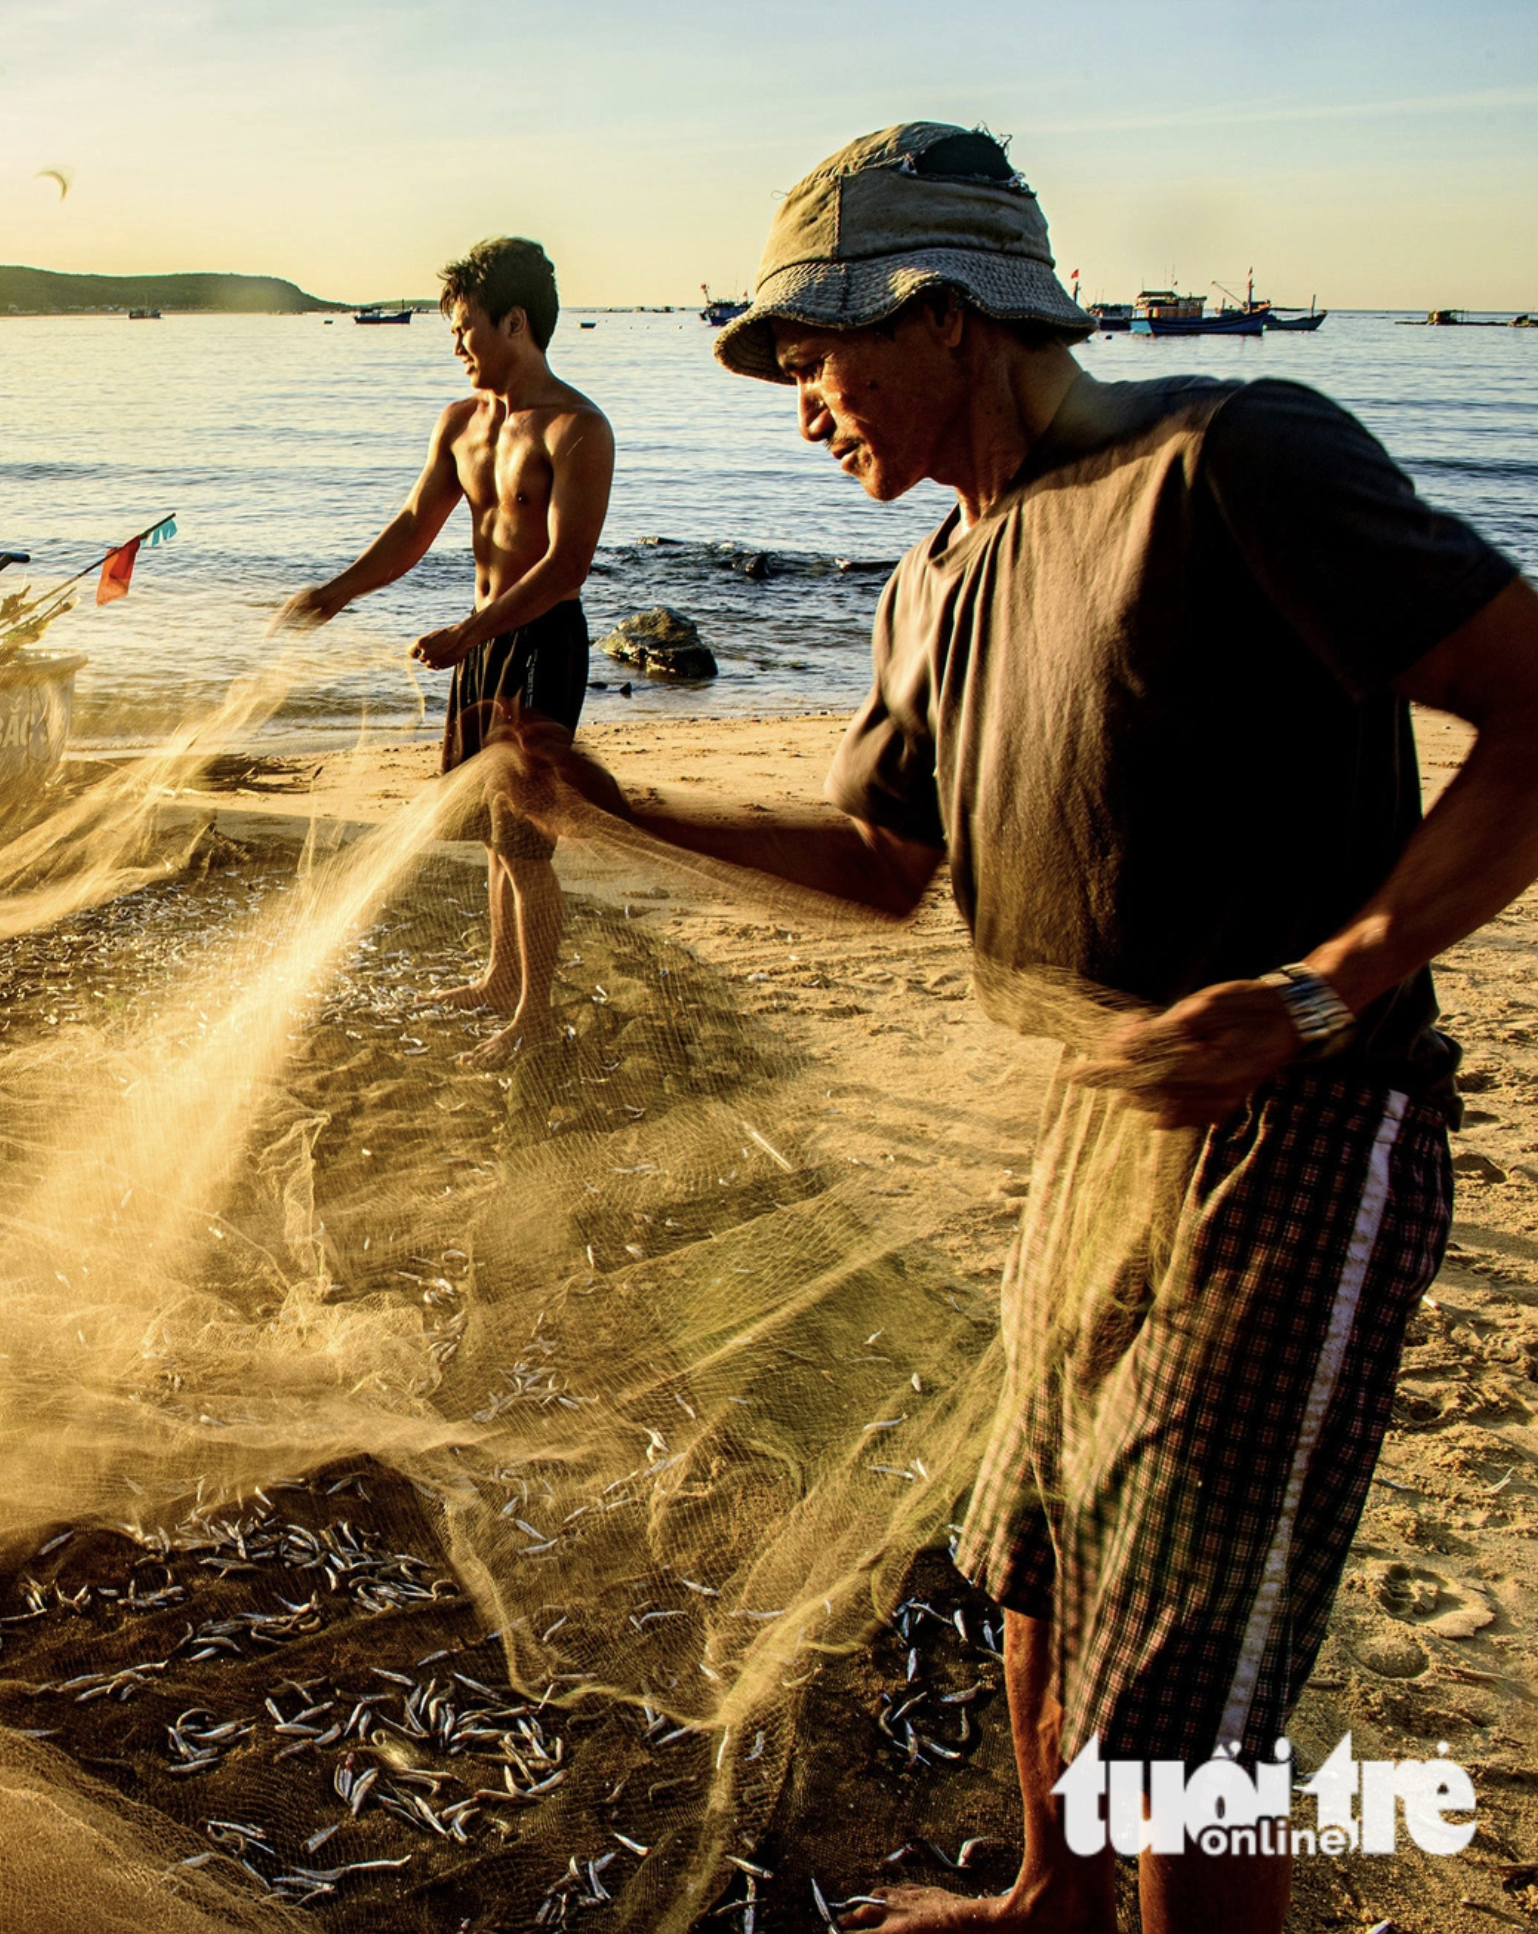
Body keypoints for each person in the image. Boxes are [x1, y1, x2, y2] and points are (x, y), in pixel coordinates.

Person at [526, 124, 1538, 1933]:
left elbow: (1530, 712)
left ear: (945, 318)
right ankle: (1047, 1902)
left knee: (1187, 1688)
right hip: (1102, 1114)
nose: (799, 399)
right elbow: (877, 862)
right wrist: (621, 811)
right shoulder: (932, 585)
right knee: (1035, 1556)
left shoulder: (1228, 464)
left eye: (810, 355)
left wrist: (1327, 986)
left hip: (1304, 1128)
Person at [277, 236, 615, 1067]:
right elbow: (412, 529)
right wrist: (336, 591)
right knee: (493, 837)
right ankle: (500, 980)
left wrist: (470, 630)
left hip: (537, 648)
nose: (457, 344)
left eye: (467, 327)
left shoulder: (577, 429)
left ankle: (535, 1019)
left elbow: (566, 569)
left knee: (527, 843)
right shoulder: (460, 424)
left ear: (515, 321)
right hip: (479, 653)